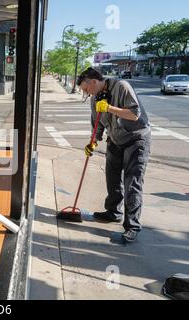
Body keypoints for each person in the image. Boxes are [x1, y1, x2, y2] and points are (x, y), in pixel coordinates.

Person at [76, 67, 151, 243]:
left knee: (132, 183)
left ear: (93, 82)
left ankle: (132, 226)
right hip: (115, 139)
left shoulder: (122, 86)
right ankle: (113, 212)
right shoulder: (95, 98)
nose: (87, 94)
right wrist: (93, 141)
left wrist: (109, 108)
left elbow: (134, 114)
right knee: (112, 177)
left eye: (86, 89)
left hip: (136, 139)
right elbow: (97, 123)